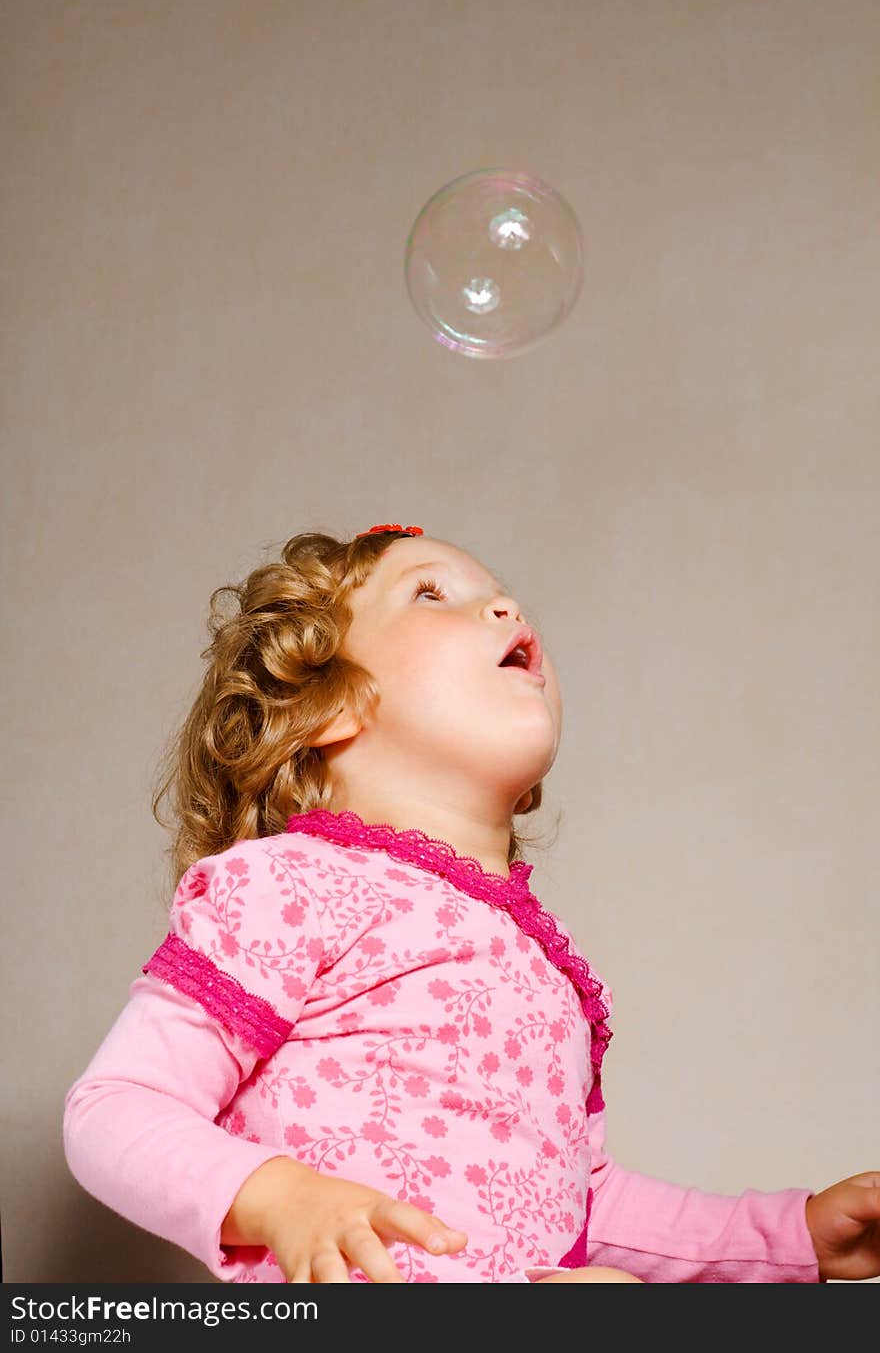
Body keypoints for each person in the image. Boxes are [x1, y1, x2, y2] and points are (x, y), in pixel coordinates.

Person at [63, 525, 879, 1284]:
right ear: (326, 707)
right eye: (430, 593)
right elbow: (115, 1109)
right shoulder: (289, 884)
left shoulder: (542, 969)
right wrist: (279, 1197)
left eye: (501, 591)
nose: (507, 606)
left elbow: (582, 1201)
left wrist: (793, 1237)